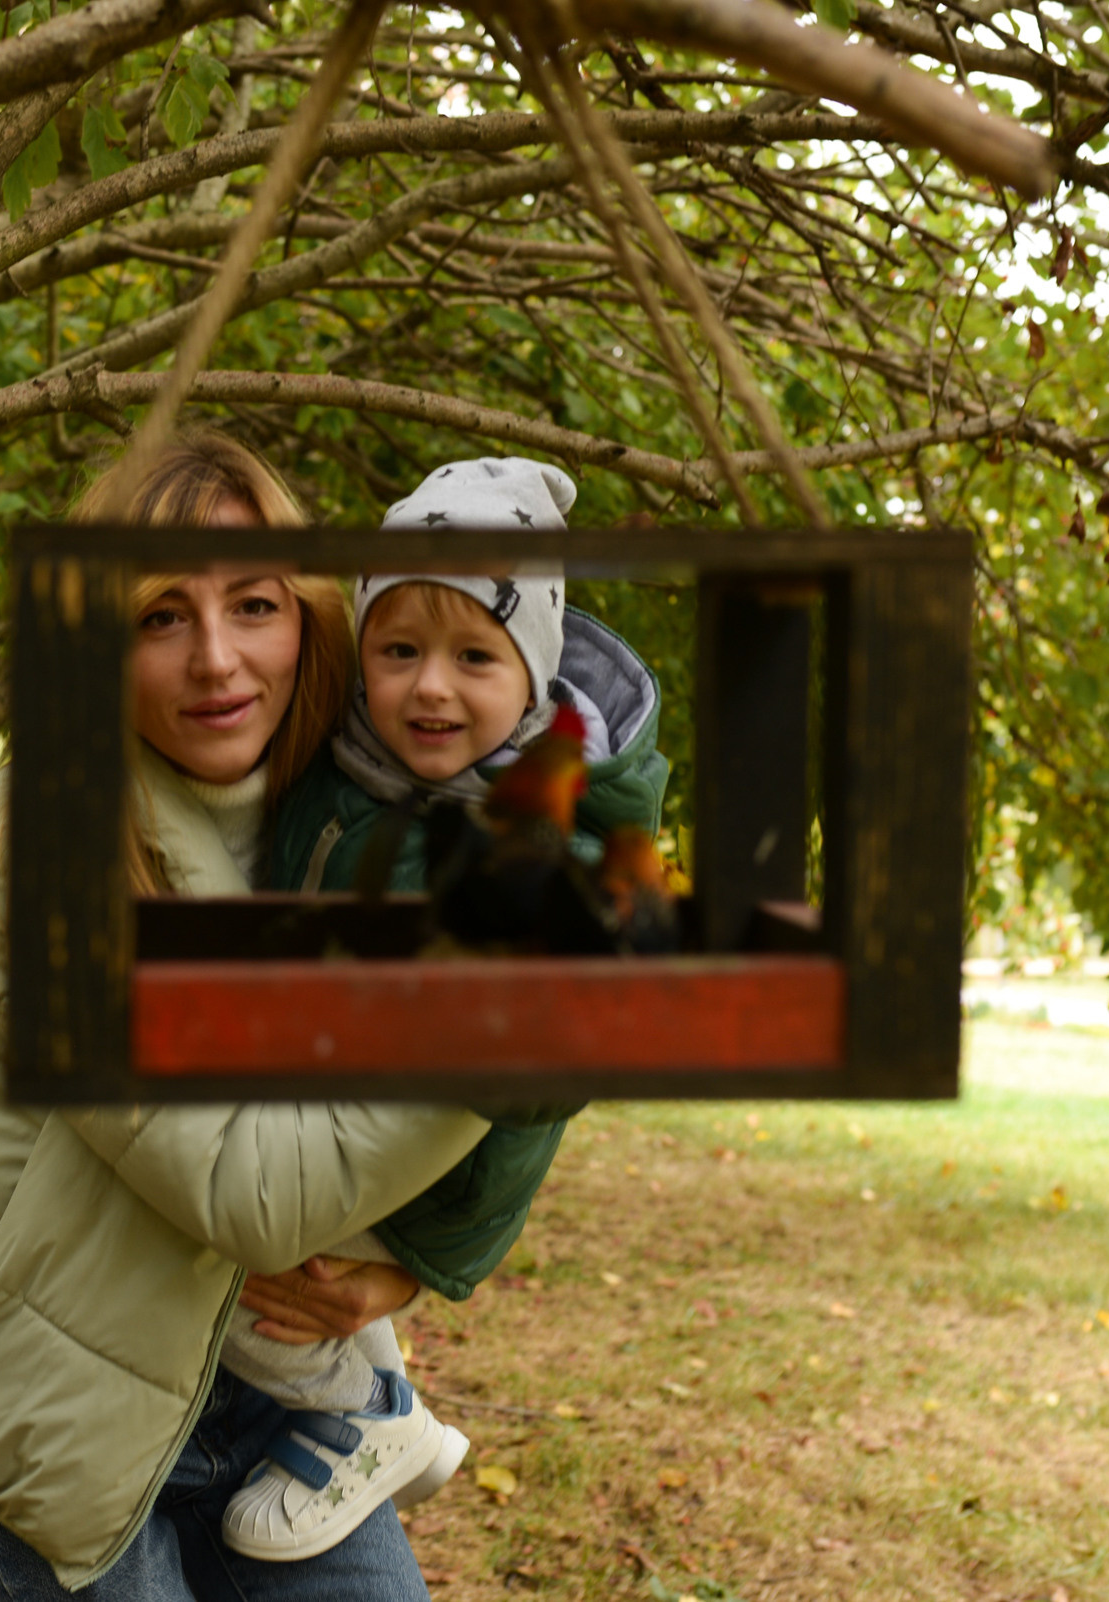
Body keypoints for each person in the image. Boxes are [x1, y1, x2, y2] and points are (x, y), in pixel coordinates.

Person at [0, 431, 488, 1600]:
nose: (217, 659)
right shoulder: (51, 839)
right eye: (159, 617)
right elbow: (251, 1193)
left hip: (293, 1410)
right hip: (68, 1418)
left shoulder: (339, 807)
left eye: (254, 605)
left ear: (309, 617)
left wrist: (414, 1268)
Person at [225, 457, 670, 1557]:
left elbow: (541, 1099)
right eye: (400, 651)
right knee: (289, 1275)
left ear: (536, 672)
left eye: (476, 656)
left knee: (238, 1281)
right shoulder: (350, 769)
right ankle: (380, 1411)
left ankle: (368, 1417)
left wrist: (421, 1268)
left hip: (408, 1165)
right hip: (316, 1114)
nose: (430, 688)